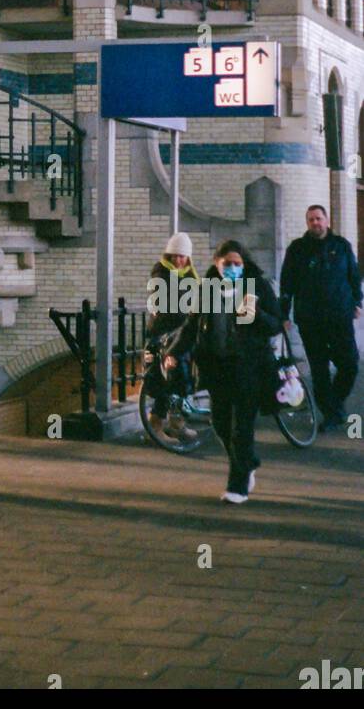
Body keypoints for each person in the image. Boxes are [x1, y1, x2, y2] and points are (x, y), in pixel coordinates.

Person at [166, 238, 282, 504]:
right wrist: (173, 352)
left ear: (244, 264)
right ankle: (248, 462)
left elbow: (276, 324)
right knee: (219, 422)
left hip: (249, 367)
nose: (231, 268)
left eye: (236, 263)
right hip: (218, 367)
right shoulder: (208, 289)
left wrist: (258, 315)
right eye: (226, 263)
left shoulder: (257, 286)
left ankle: (237, 487)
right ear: (216, 264)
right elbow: (191, 326)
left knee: (241, 427)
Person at [279, 205, 363, 432]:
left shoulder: (341, 246)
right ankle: (330, 414)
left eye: (318, 218)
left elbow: (353, 276)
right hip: (310, 319)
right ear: (307, 223)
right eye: (311, 220)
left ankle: (334, 404)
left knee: (349, 365)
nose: (315, 223)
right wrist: (283, 313)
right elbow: (287, 283)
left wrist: (358, 302)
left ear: (327, 220)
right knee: (319, 369)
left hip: (339, 316)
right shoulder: (297, 249)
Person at [144, 233, 201, 447]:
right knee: (166, 381)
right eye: (176, 256)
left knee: (182, 379)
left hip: (182, 335)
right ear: (169, 255)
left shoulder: (190, 275)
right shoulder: (161, 273)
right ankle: (155, 425)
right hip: (164, 335)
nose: (180, 261)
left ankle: (176, 422)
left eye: (184, 257)